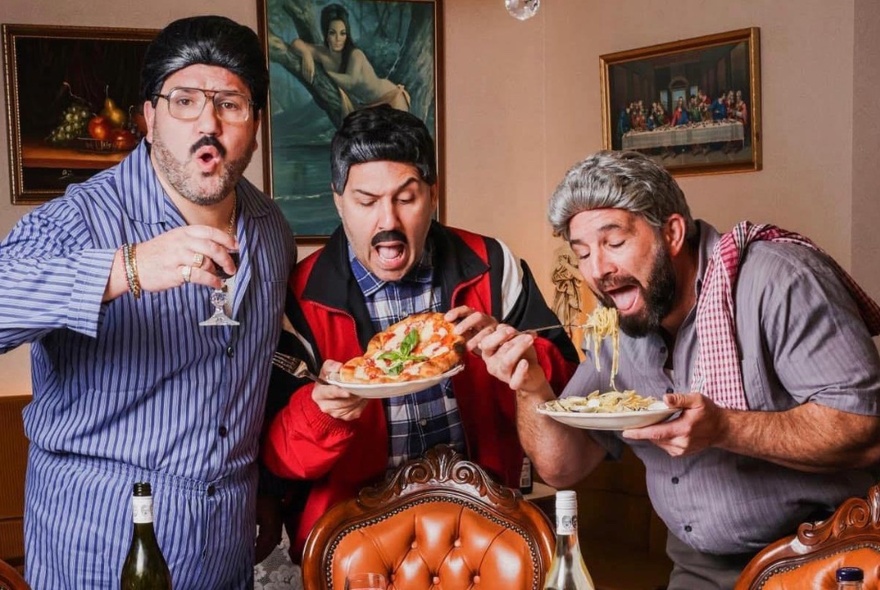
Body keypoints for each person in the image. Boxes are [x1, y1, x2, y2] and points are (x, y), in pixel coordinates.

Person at [477, 150, 880, 589]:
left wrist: (724, 429)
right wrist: (530, 385)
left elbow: (866, 429)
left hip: (825, 555)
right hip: (697, 569)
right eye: (583, 253)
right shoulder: (620, 324)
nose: (599, 270)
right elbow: (562, 468)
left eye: (614, 243)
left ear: (671, 232)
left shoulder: (780, 281)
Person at [0, 15, 296, 589]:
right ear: (149, 118)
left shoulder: (270, 228)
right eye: (184, 100)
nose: (207, 124)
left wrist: (263, 488)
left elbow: (248, 378)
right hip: (98, 542)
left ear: (256, 125)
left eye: (231, 104)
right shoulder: (82, 217)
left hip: (225, 541)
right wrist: (126, 269)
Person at [258, 104, 579, 564]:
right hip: (352, 542)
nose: (386, 222)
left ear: (433, 194)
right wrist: (323, 412)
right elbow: (277, 459)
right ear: (338, 202)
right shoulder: (299, 296)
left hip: (488, 532)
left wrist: (518, 353)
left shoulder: (493, 264)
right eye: (366, 202)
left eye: (405, 198)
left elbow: (568, 394)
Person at [290, 3, 410, 115]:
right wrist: (306, 54)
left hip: (391, 97)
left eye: (343, 33)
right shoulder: (323, 53)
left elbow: (351, 82)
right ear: (325, 33)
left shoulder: (355, 54)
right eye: (332, 33)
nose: (338, 39)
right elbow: (296, 43)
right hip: (368, 106)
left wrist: (328, 73)